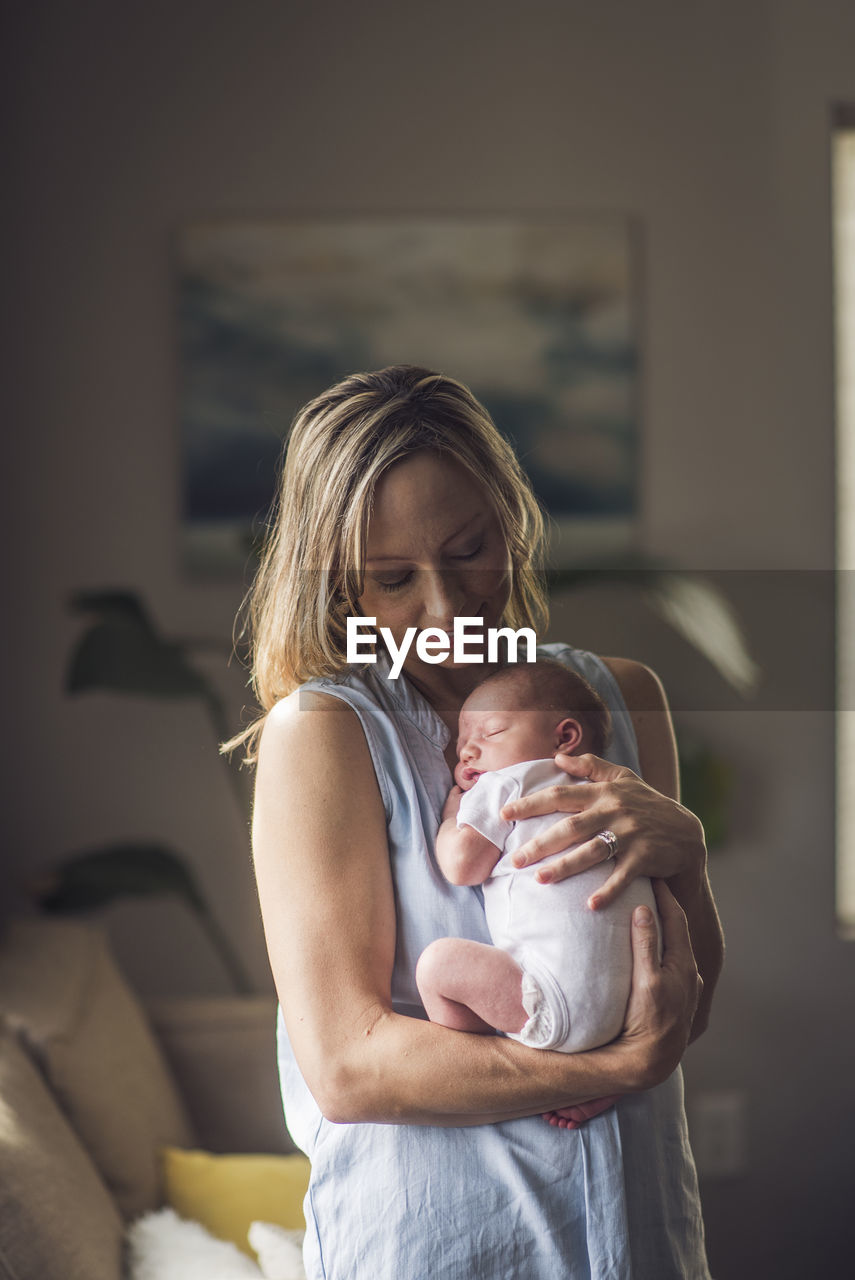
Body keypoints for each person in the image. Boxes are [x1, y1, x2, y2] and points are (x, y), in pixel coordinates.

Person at [230, 365, 723, 1279]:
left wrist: (684, 858)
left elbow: (677, 1008)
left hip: (639, 1232)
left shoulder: (620, 696)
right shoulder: (328, 733)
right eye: (391, 578)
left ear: (511, 518)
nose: (446, 608)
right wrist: (605, 1073)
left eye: (466, 551)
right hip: (443, 1245)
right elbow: (349, 1066)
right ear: (339, 585)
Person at [416, 660, 660, 1079]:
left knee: (438, 966)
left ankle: (484, 1056)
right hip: (632, 1007)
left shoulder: (508, 782)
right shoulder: (621, 796)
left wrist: (451, 818)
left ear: (564, 737)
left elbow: (461, 865)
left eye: (489, 732)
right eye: (462, 744)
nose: (469, 750)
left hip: (553, 1002)